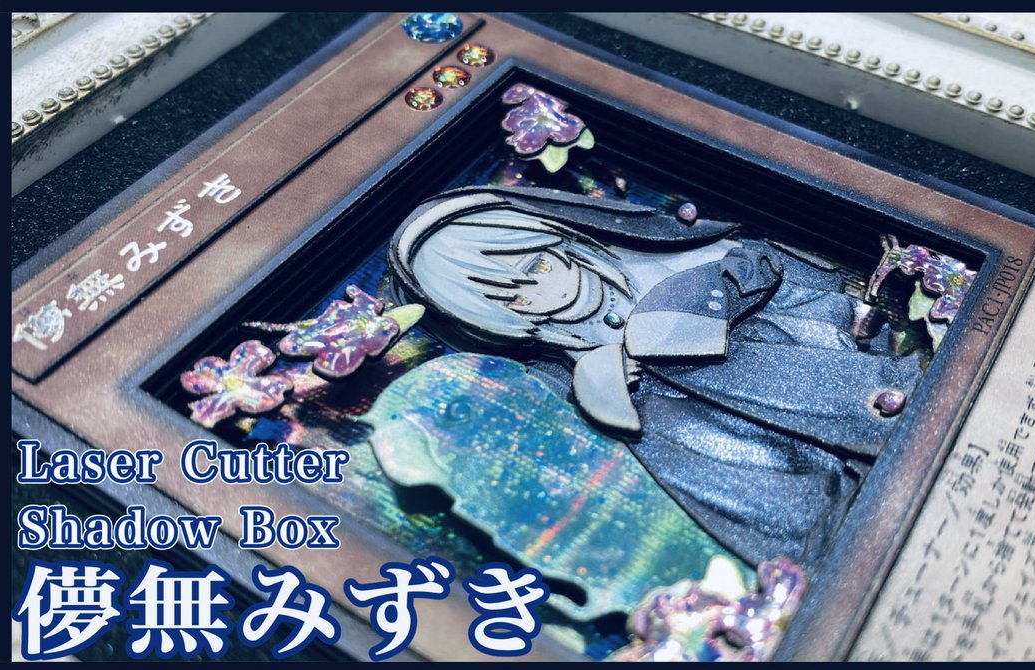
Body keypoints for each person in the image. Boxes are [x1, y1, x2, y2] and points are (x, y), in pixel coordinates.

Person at [387, 185, 921, 565]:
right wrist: (603, 384)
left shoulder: (672, 262)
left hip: (857, 383)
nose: (544, 290)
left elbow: (768, 269)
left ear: (558, 242)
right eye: (514, 295)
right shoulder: (557, 377)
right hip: (741, 469)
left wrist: (694, 305)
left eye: (538, 266)